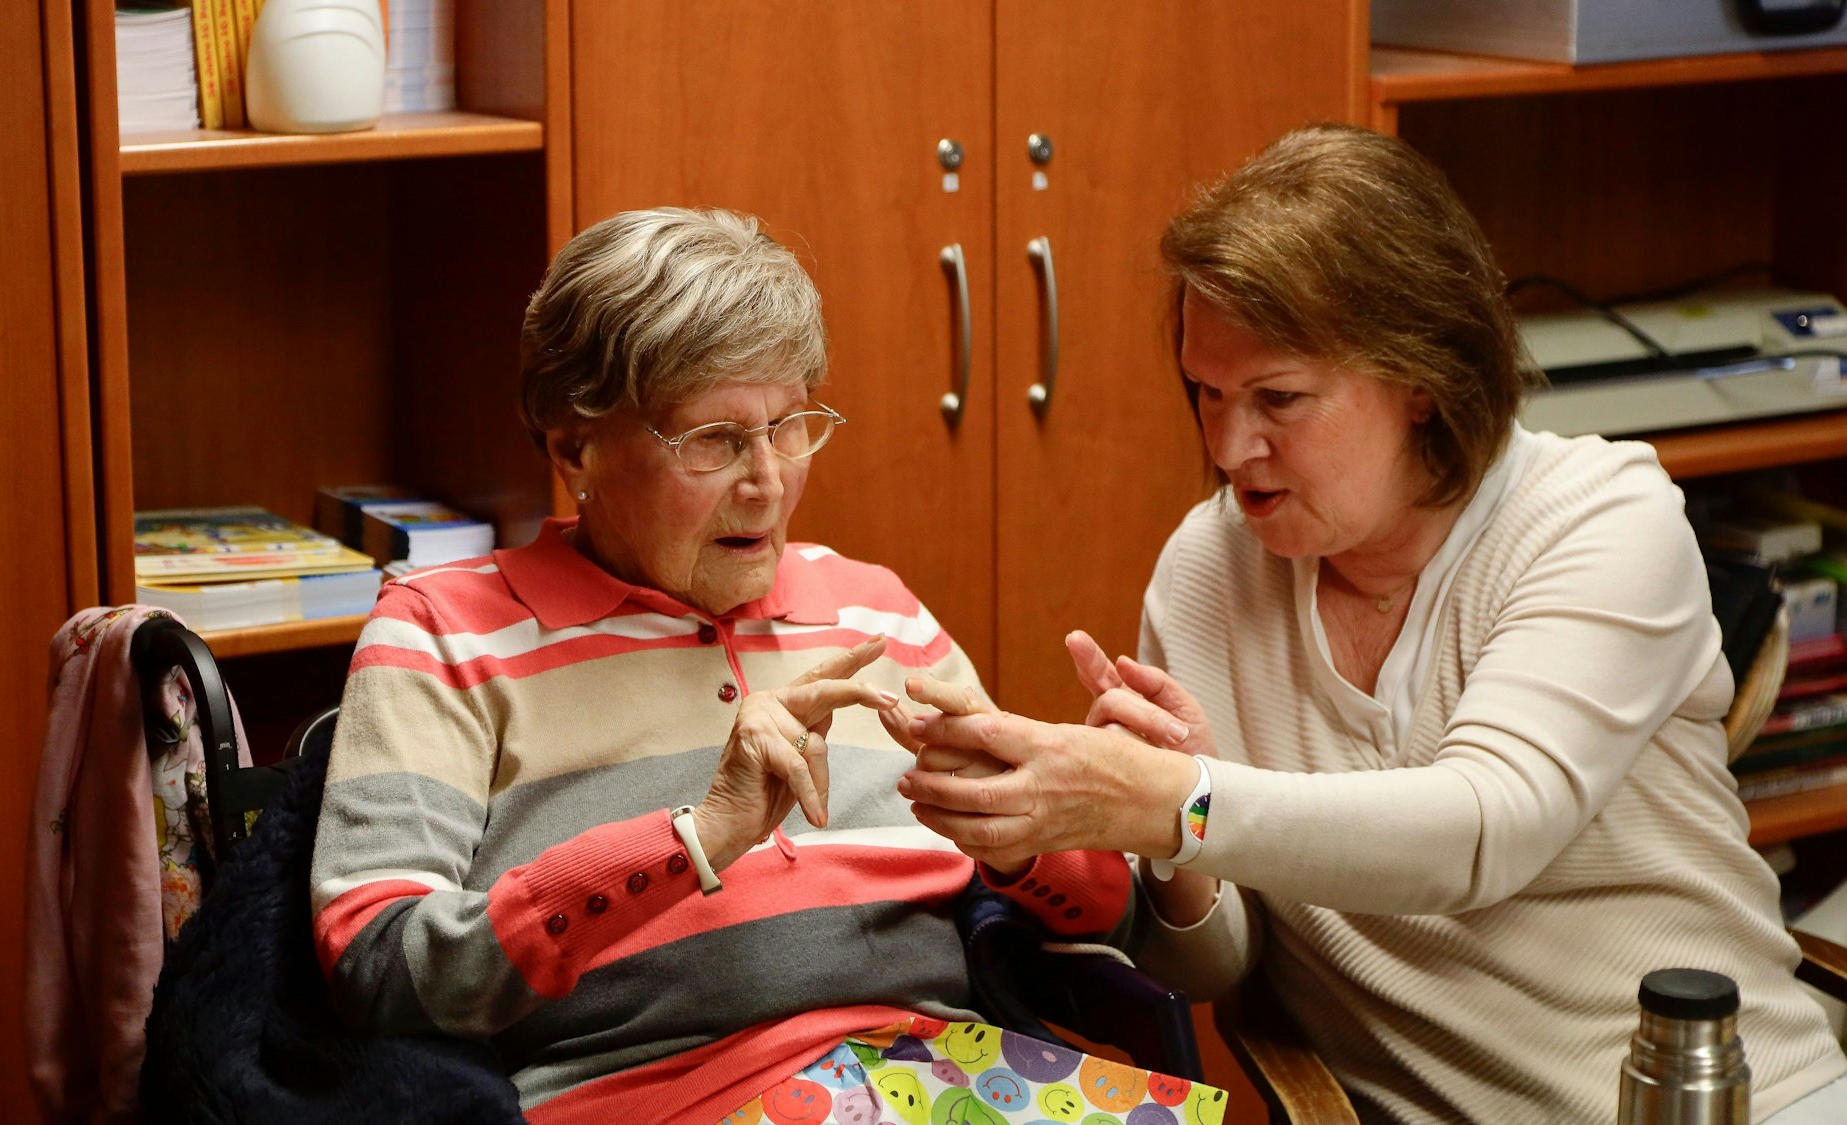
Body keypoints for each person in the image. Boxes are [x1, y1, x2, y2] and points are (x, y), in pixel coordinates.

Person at [893, 124, 1847, 1124]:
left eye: (1278, 398)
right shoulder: (1206, 567)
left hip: (1722, 1101)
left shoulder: (1598, 515)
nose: (1229, 447)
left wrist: (1177, 801)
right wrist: (1177, 858)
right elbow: (1211, 968)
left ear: (1419, 382)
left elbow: (1482, 829)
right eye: (1205, 392)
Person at [308, 207, 1217, 1125]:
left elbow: (1108, 931)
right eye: (712, 439)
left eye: (790, 426)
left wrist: (1057, 827)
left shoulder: (875, 607)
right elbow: (378, 968)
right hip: (657, 1099)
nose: (768, 479)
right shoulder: (444, 630)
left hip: (955, 1082)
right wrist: (692, 838)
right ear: (572, 445)